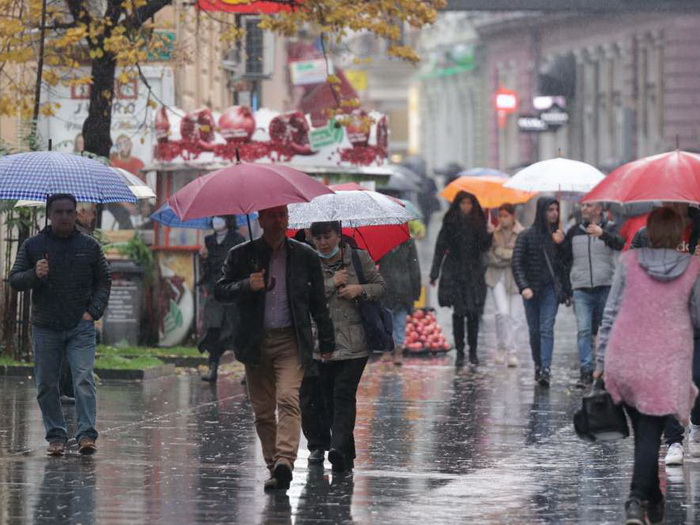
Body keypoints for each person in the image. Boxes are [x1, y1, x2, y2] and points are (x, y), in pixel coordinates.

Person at [215, 205, 335, 492]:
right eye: (271, 215)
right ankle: (274, 468)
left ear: (288, 219)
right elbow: (220, 290)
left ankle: (285, 460)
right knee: (263, 411)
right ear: (260, 219)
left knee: (288, 399)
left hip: (291, 341)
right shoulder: (242, 255)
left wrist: (327, 341)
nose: (278, 221)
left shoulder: (305, 255)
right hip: (254, 343)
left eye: (282, 215)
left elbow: (318, 301)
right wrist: (247, 285)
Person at [594, 207, 700, 525]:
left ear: (649, 233)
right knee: (650, 432)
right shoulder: (690, 268)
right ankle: (635, 499)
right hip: (663, 361)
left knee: (644, 431)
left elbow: (610, 312)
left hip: (624, 357)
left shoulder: (628, 264)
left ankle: (652, 499)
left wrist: (600, 361)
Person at [9, 193, 111, 456]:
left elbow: (104, 280)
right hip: (45, 326)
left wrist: (93, 312)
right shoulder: (34, 246)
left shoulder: (89, 246)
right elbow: (15, 280)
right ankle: (56, 436)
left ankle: (86, 435)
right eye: (58, 212)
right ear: (49, 214)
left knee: (83, 379)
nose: (64, 216)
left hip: (80, 325)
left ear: (76, 213)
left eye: (69, 212)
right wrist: (35, 273)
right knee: (46, 384)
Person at [302, 221, 386, 472]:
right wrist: (331, 284)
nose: (323, 242)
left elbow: (380, 287)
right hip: (322, 342)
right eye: (317, 238)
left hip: (354, 342)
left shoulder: (359, 258)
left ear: (338, 235)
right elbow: (302, 296)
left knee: (343, 395)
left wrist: (358, 289)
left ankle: (338, 448)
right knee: (326, 398)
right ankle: (341, 450)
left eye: (327, 236)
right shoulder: (307, 261)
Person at [561, 202, 625, 388]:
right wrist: (557, 243)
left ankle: (604, 370)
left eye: (589, 206)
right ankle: (586, 371)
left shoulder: (611, 228)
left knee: (606, 331)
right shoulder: (574, 231)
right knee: (584, 330)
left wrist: (603, 234)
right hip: (581, 288)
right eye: (583, 206)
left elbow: (621, 244)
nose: (584, 209)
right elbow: (564, 259)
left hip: (606, 286)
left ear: (599, 209)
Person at [512, 197, 569, 387]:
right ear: (542, 211)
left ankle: (546, 368)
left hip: (550, 290)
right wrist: (524, 286)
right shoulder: (527, 235)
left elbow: (565, 265)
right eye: (550, 210)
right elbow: (517, 263)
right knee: (535, 331)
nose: (554, 214)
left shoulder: (559, 236)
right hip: (532, 290)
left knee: (546, 328)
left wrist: (561, 245)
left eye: (556, 209)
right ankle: (538, 364)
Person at [429, 191, 491, 367]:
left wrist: (489, 234)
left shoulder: (479, 222)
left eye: (469, 204)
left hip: (473, 274)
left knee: (473, 313)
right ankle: (461, 352)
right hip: (455, 274)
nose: (466, 207)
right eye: (463, 203)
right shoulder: (450, 222)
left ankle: (473, 351)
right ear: (458, 205)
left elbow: (484, 246)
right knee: (459, 313)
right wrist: (434, 272)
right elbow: (440, 247)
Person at [197, 216, 245, 382]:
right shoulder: (209, 240)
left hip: (232, 292)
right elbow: (206, 269)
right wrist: (203, 258)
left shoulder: (238, 240)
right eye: (215, 217)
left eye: (221, 217)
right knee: (213, 330)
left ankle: (248, 369)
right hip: (214, 293)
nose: (217, 220)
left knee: (236, 331)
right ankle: (213, 368)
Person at [485, 203, 525, 367]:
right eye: (500, 215)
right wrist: (507, 254)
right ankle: (502, 347)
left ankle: (512, 351)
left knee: (515, 317)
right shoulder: (493, 232)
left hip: (516, 278)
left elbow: (520, 255)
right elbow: (490, 256)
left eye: (505, 215)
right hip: (497, 277)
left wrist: (502, 253)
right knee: (502, 313)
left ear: (513, 215)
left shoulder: (522, 233)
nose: (502, 219)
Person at [378, 238, 422, 365]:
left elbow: (414, 268)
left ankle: (397, 350)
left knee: (399, 321)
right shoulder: (382, 243)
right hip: (386, 288)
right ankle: (389, 349)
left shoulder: (408, 243)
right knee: (387, 320)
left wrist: (416, 291)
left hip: (403, 289)